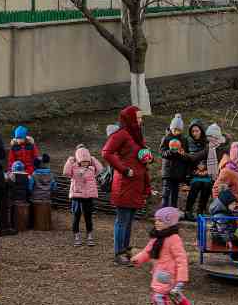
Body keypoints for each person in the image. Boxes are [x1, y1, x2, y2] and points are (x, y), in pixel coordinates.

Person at [132, 207, 198, 305]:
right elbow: (148, 251)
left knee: (158, 297)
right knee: (175, 295)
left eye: (160, 220)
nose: (156, 223)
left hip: (167, 275)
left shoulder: (173, 239)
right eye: (156, 220)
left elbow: (181, 259)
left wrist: (181, 279)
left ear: (169, 223)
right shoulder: (156, 237)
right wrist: (138, 259)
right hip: (160, 273)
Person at [102, 106, 148, 263]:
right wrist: (124, 169)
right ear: (130, 119)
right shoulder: (121, 134)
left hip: (136, 183)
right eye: (138, 118)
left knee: (129, 220)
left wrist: (147, 157)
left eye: (141, 118)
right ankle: (118, 253)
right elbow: (106, 152)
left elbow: (138, 154)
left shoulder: (136, 135)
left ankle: (126, 249)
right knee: (122, 220)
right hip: (124, 183)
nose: (140, 120)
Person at [63, 145, 101, 246]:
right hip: (77, 197)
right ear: (78, 159)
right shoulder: (73, 168)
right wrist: (70, 161)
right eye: (83, 161)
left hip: (88, 197)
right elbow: (66, 172)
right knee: (76, 216)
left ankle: (89, 235)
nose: (85, 163)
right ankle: (76, 235)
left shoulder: (92, 169)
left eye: (87, 161)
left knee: (88, 217)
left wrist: (93, 159)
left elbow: (101, 169)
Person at [159, 122, 195, 213]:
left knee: (175, 194)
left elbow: (186, 156)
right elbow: (162, 153)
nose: (176, 132)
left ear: (181, 130)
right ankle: (163, 212)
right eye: (174, 129)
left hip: (178, 172)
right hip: (168, 171)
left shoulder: (184, 140)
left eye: (178, 130)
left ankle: (173, 213)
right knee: (165, 193)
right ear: (171, 128)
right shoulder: (166, 138)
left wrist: (182, 154)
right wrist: (170, 151)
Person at [184, 121, 214, 217]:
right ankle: (188, 211)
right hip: (194, 172)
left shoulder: (208, 142)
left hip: (206, 172)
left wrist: (206, 169)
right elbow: (187, 158)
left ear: (201, 131)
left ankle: (200, 211)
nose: (195, 133)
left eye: (197, 131)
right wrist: (193, 171)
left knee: (207, 186)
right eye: (193, 131)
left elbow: (212, 158)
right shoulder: (188, 141)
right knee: (195, 185)